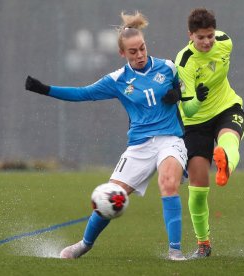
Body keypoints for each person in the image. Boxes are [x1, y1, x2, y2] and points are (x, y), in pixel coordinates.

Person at [25, 11, 188, 261]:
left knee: (167, 183)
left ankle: (175, 251)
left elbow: (188, 92)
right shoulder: (117, 79)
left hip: (170, 139)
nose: (140, 54)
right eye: (133, 51)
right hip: (139, 146)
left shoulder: (168, 67)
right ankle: (84, 244)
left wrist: (179, 93)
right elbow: (83, 93)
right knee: (109, 197)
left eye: (142, 48)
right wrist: (44, 89)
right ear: (122, 53)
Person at [173, 8, 244, 258]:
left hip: (227, 106)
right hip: (196, 121)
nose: (206, 42)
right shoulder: (184, 61)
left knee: (230, 139)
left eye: (210, 36)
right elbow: (189, 109)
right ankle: (203, 243)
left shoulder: (225, 42)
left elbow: (220, 48)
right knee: (198, 184)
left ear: (215, 33)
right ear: (190, 35)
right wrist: (198, 99)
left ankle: (224, 162)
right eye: (200, 37)